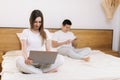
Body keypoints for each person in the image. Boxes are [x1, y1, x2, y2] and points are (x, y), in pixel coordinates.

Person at [16, 10, 64, 74]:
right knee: (18, 60)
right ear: (31, 21)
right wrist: (26, 59)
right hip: (30, 61)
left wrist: (49, 59)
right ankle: (42, 71)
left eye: (40, 22)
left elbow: (48, 50)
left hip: (42, 62)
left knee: (61, 59)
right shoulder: (26, 32)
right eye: (35, 22)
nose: (38, 24)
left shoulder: (46, 32)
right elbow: (24, 49)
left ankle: (34, 71)